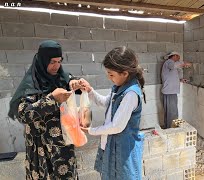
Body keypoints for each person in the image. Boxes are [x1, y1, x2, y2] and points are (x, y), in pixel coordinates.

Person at [8, 40, 82, 179]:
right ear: (42, 60)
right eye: (52, 62)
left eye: (59, 61)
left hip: (63, 145)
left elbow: (69, 79)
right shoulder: (31, 83)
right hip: (41, 146)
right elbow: (23, 113)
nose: (56, 66)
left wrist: (75, 82)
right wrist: (51, 99)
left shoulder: (60, 76)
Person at [80, 46, 146, 180]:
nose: (109, 78)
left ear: (125, 73)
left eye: (111, 74)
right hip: (112, 144)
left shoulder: (131, 93)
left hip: (123, 148)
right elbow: (106, 102)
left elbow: (117, 126)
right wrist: (90, 91)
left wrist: (91, 130)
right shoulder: (118, 87)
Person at [161, 51, 191, 129]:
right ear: (174, 56)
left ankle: (168, 128)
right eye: (178, 57)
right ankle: (172, 129)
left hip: (169, 91)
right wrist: (184, 63)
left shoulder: (169, 64)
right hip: (170, 91)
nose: (179, 59)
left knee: (169, 112)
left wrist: (180, 80)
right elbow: (174, 66)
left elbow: (170, 77)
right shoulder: (169, 62)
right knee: (172, 112)